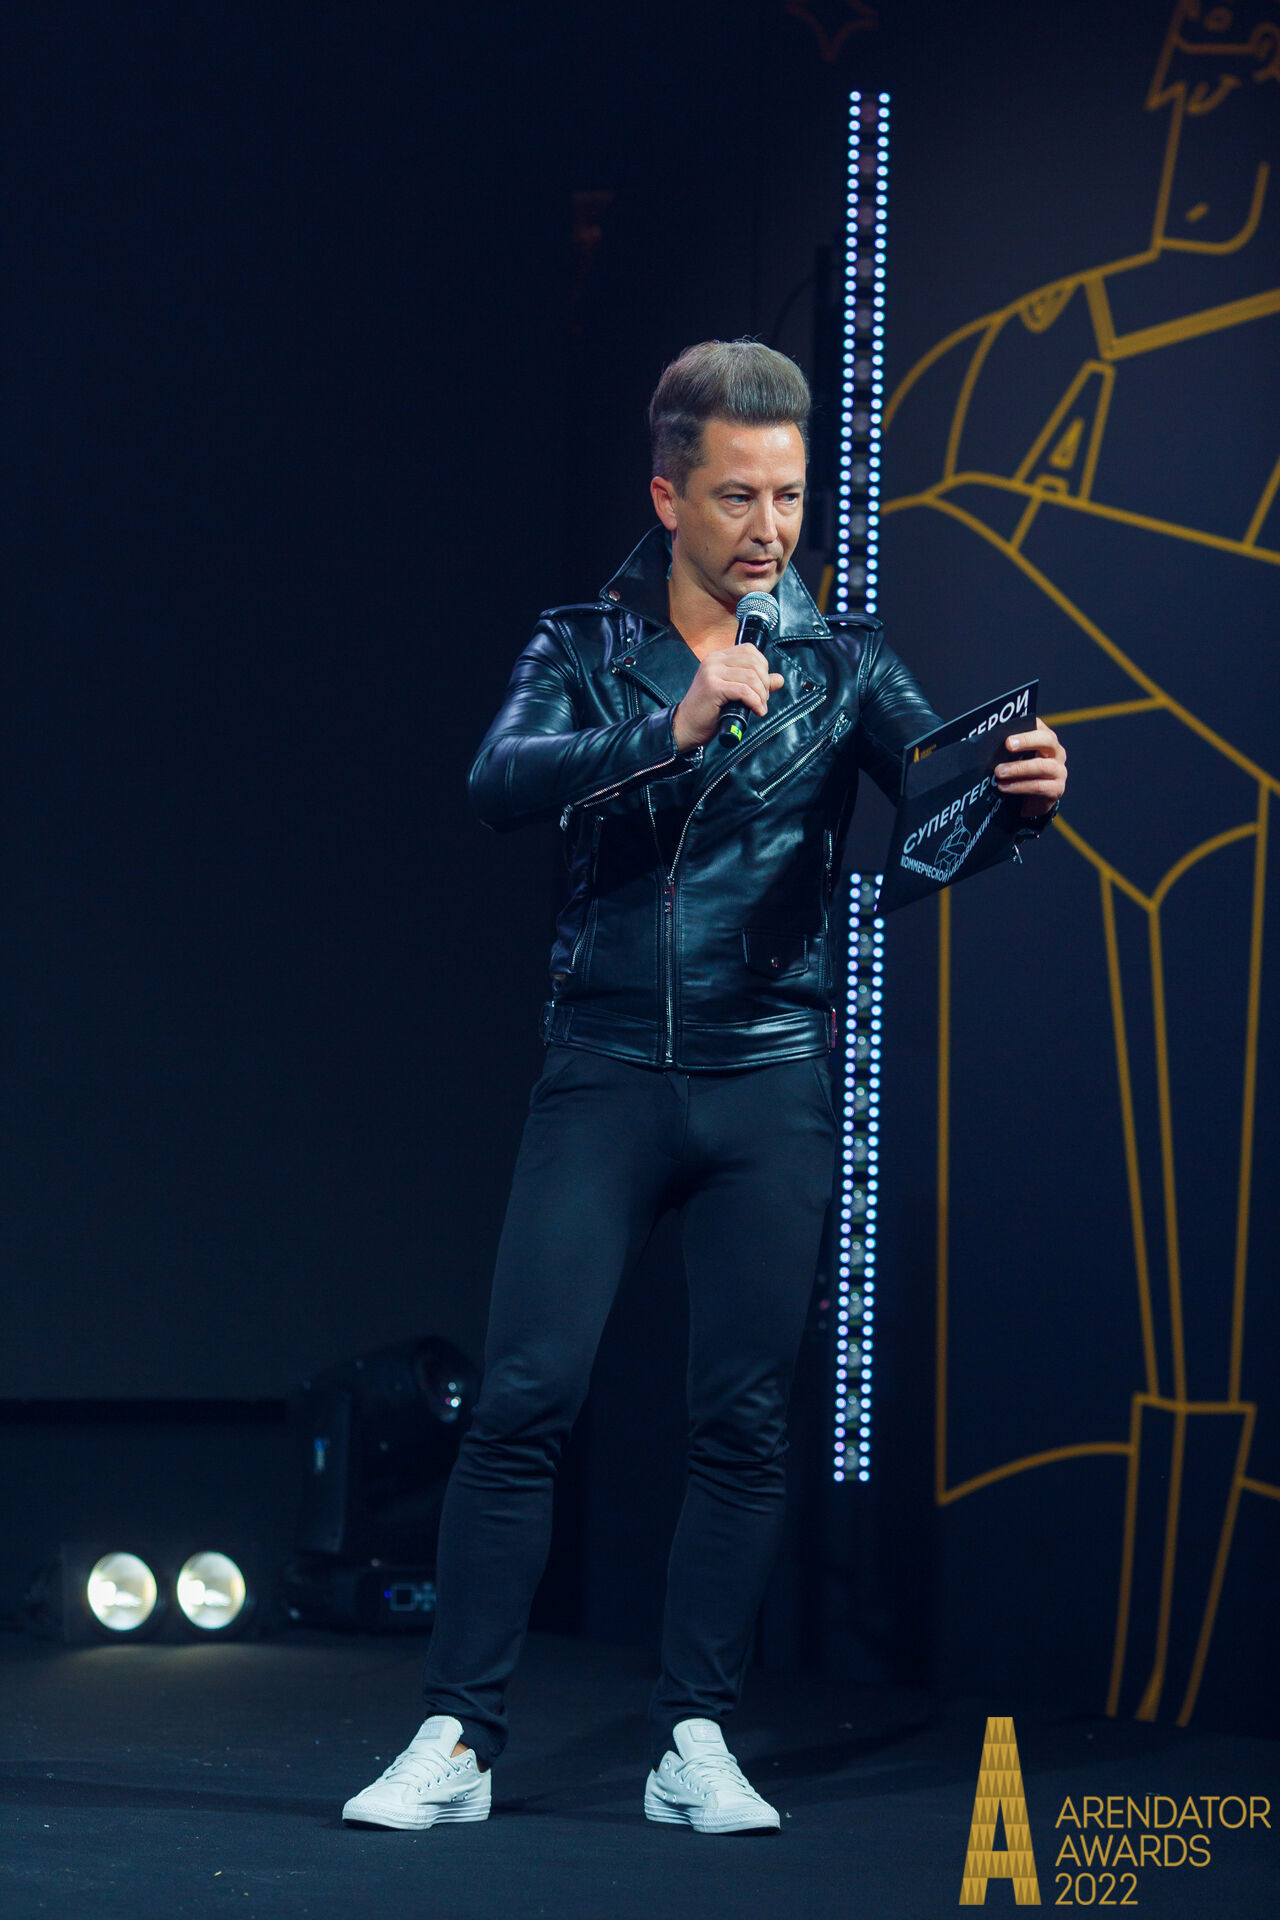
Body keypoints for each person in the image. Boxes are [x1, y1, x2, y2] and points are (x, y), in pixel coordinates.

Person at [341, 339, 1067, 1836]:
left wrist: (1016, 803)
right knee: (526, 1398)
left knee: (741, 1423)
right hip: (605, 1067)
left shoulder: (842, 661)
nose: (769, 529)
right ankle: (456, 1736)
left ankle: (694, 1736)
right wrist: (668, 726)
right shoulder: (582, 643)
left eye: (790, 497)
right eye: (738, 496)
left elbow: (934, 800)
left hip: (767, 1079)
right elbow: (497, 781)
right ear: (669, 494)